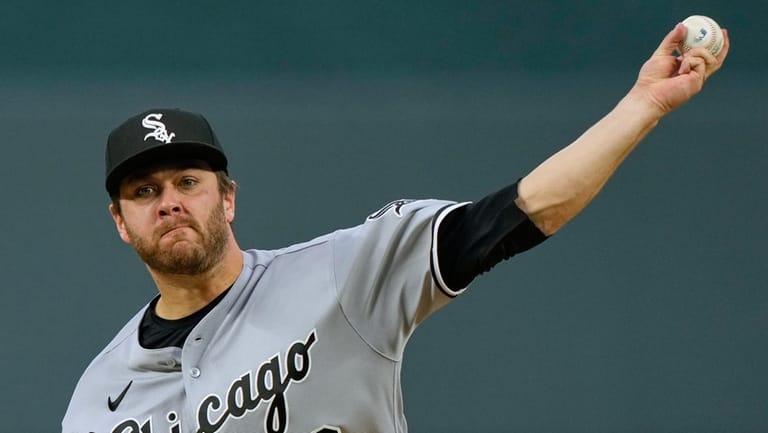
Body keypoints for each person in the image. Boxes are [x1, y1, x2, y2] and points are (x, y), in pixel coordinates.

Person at [62, 23, 729, 433]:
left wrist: (642, 105)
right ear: (120, 222)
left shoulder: (345, 273)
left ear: (229, 198)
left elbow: (527, 210)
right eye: (144, 191)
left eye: (188, 182)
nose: (169, 201)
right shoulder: (96, 400)